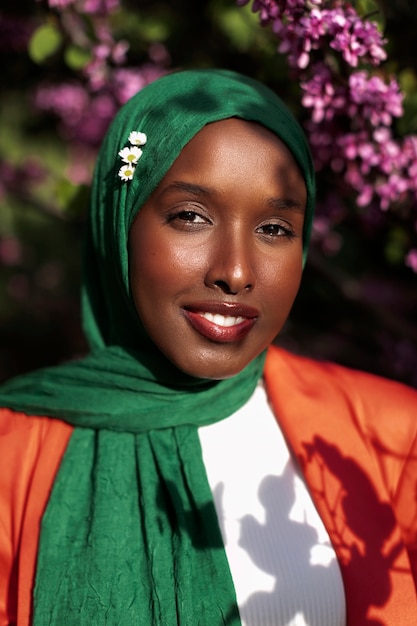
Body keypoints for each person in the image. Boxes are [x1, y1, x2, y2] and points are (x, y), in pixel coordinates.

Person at [0, 68, 416, 626]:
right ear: (119, 226)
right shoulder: (11, 454)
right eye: (191, 217)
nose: (237, 272)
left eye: (274, 228)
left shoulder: (394, 439)